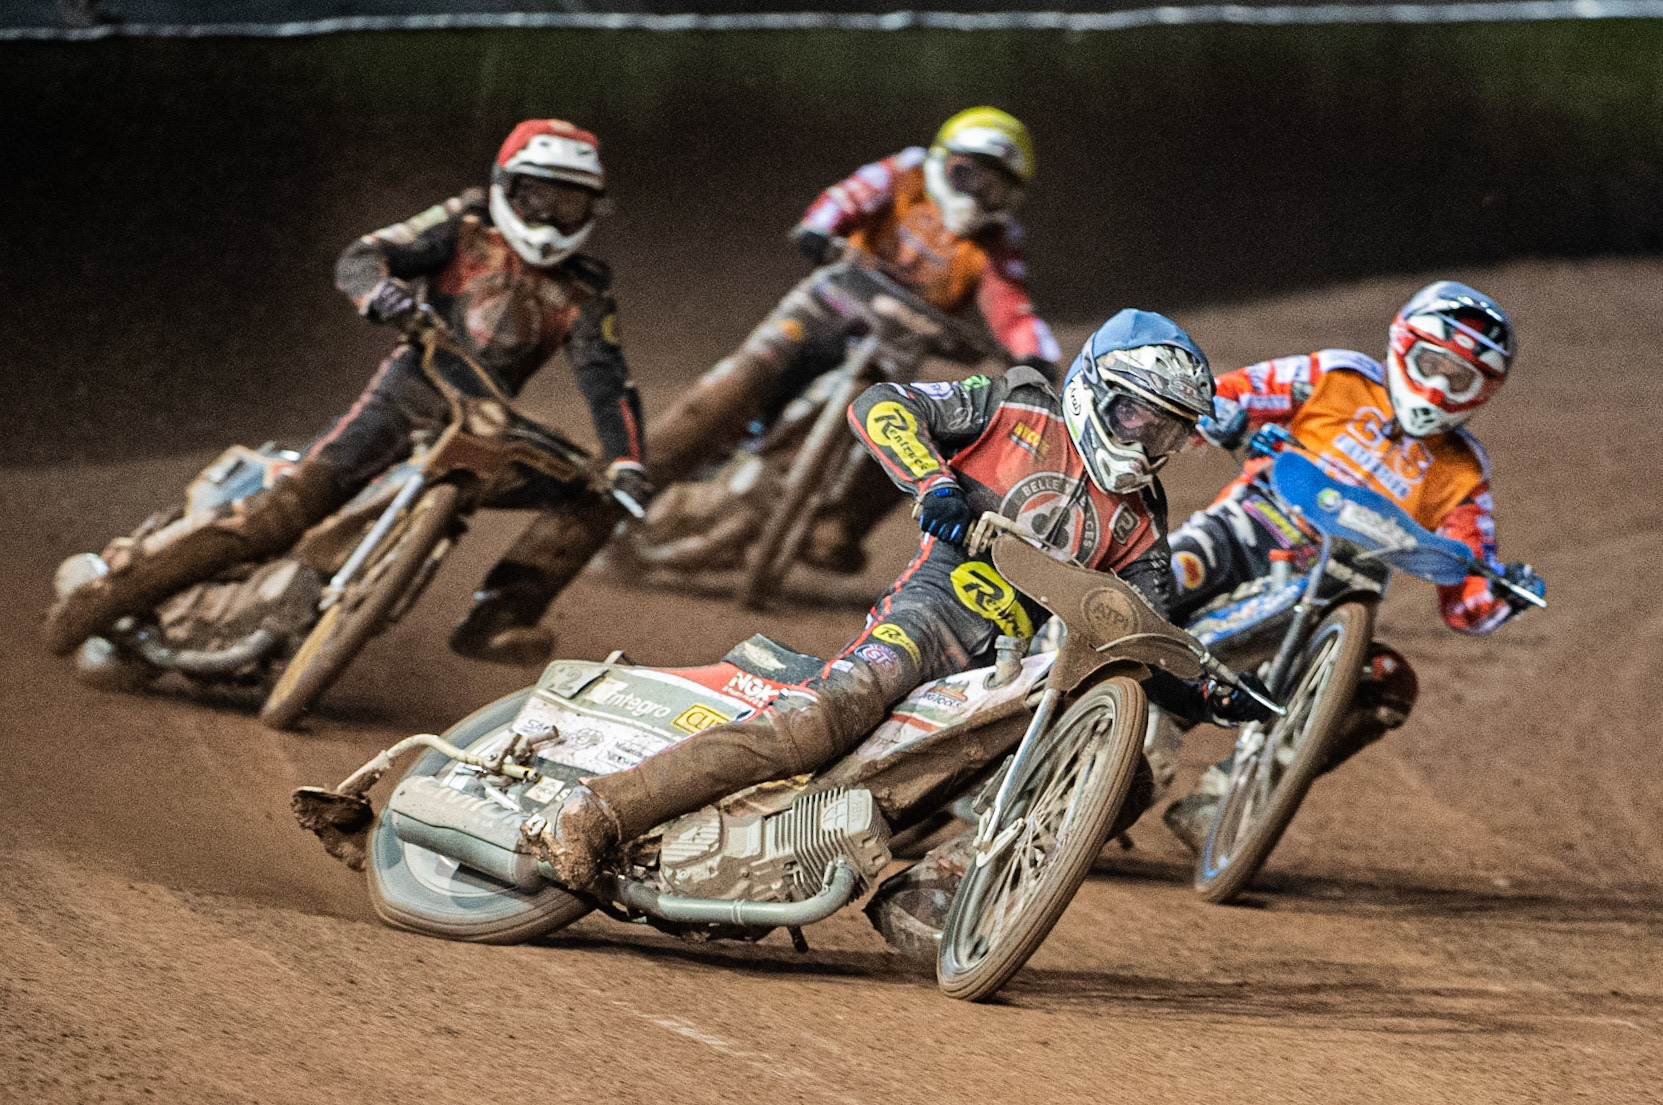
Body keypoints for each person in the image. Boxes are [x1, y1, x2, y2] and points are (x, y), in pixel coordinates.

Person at [538, 309, 1270, 891]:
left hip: (1006, 672)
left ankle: (939, 896)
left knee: (1093, 770)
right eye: (1136, 415)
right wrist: (934, 483)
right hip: (929, 615)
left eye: (1167, 428)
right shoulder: (1017, 406)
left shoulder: (1142, 521)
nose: (1146, 440)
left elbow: (1142, 631)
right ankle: (599, 810)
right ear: (1092, 388)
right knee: (823, 720)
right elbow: (883, 403)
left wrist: (1207, 692)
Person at [43, 118, 648, 667]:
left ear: (592, 210)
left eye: (568, 204)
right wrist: (380, 292)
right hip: (408, 394)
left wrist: (628, 463)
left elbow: (608, 381)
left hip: (484, 422)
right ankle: (106, 598)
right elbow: (366, 254)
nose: (549, 217)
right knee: (281, 516)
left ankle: (497, 616)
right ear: (504, 187)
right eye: (536, 197)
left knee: (602, 496)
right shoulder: (462, 225)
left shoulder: (587, 290)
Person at [1160, 280, 1546, 850]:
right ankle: (1038, 671)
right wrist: (1220, 415)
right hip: (1247, 530)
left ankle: (1226, 804)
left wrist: (1504, 592)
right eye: (1431, 364)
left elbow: (1466, 600)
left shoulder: (1464, 472)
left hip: (1337, 590)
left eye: (1459, 379)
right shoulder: (1338, 376)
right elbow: (1226, 394)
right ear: (1402, 346)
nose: (1438, 387)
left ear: (1481, 393)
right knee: (1155, 579)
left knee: (1387, 683)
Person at [641, 106, 1062, 574]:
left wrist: (1036, 356)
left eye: (993, 187)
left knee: (920, 428)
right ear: (942, 160)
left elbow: (1013, 307)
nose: (975, 195)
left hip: (895, 348)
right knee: (734, 390)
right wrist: (820, 229)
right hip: (827, 308)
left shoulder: (1001, 239)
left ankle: (837, 525)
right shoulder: (905, 170)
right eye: (966, 175)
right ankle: (628, 480)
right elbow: (847, 197)